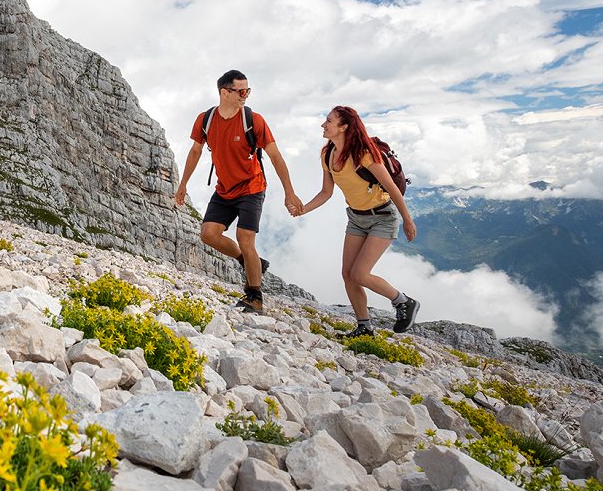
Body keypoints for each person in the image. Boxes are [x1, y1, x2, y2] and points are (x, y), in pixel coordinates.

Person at [174, 70, 301, 314]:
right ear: (225, 92)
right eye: (241, 91)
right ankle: (248, 261)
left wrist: (290, 193)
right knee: (208, 234)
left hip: (252, 186)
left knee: (245, 238)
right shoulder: (205, 120)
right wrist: (183, 185)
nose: (246, 96)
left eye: (248, 91)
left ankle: (254, 296)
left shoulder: (254, 120)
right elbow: (195, 152)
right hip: (224, 188)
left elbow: (275, 156)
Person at [293, 105, 419, 336]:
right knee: (347, 274)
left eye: (328, 121)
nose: (323, 124)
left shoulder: (364, 154)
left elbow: (391, 187)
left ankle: (403, 302)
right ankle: (364, 327)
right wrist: (303, 210)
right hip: (356, 218)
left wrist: (408, 221)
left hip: (382, 217)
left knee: (360, 273)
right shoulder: (327, 154)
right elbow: (326, 192)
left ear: (343, 127)